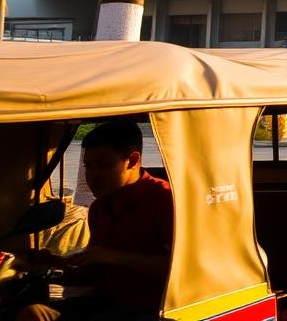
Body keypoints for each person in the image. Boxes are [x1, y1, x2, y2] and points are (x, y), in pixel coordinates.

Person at [17, 120, 173, 321]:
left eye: (103, 166)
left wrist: (112, 256)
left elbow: (178, 270)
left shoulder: (164, 200)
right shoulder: (99, 208)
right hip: (106, 303)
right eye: (88, 167)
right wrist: (60, 265)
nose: (92, 176)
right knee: (33, 313)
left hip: (152, 310)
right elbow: (94, 273)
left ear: (133, 160)